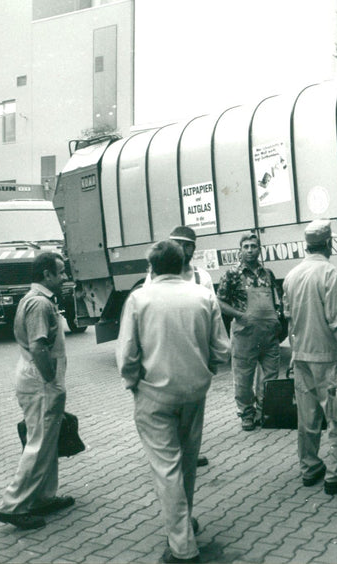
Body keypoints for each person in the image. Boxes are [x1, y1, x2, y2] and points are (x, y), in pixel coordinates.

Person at [117, 240, 230, 564]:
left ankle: (182, 548)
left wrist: (132, 382)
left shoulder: (139, 299)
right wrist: (205, 369)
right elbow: (222, 350)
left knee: (166, 468)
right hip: (195, 393)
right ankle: (184, 522)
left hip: (154, 394)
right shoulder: (203, 295)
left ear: (152, 266)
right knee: (187, 462)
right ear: (183, 263)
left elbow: (127, 354)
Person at [283, 220, 337, 495]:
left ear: (306, 245)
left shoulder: (291, 276)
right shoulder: (329, 273)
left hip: (301, 357)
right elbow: (336, 321)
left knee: (307, 418)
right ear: (328, 244)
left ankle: (309, 468)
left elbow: (290, 321)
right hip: (328, 358)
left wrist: (293, 353)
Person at [0, 252, 75, 530]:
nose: (65, 277)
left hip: (37, 378)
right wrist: (50, 378)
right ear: (46, 275)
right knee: (39, 444)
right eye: (61, 272)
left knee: (46, 441)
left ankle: (43, 497)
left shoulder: (35, 300)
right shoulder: (39, 304)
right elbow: (39, 346)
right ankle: (14, 506)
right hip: (40, 380)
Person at [145, 225, 214, 467]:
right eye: (178, 244)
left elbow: (212, 320)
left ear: (194, 249)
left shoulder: (201, 278)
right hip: (164, 355)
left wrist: (211, 361)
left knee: (191, 415)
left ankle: (190, 452)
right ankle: (174, 456)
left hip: (194, 356)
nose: (183, 249)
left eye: (188, 245)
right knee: (168, 410)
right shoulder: (153, 277)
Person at [217, 232, 283, 431]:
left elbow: (276, 299)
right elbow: (219, 301)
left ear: (259, 249)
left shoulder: (267, 274)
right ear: (240, 250)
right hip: (245, 334)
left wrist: (277, 316)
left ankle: (265, 412)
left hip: (269, 335)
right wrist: (239, 315)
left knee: (270, 375)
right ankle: (247, 414)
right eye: (245, 246)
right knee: (244, 378)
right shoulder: (232, 274)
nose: (250, 250)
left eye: (253, 246)